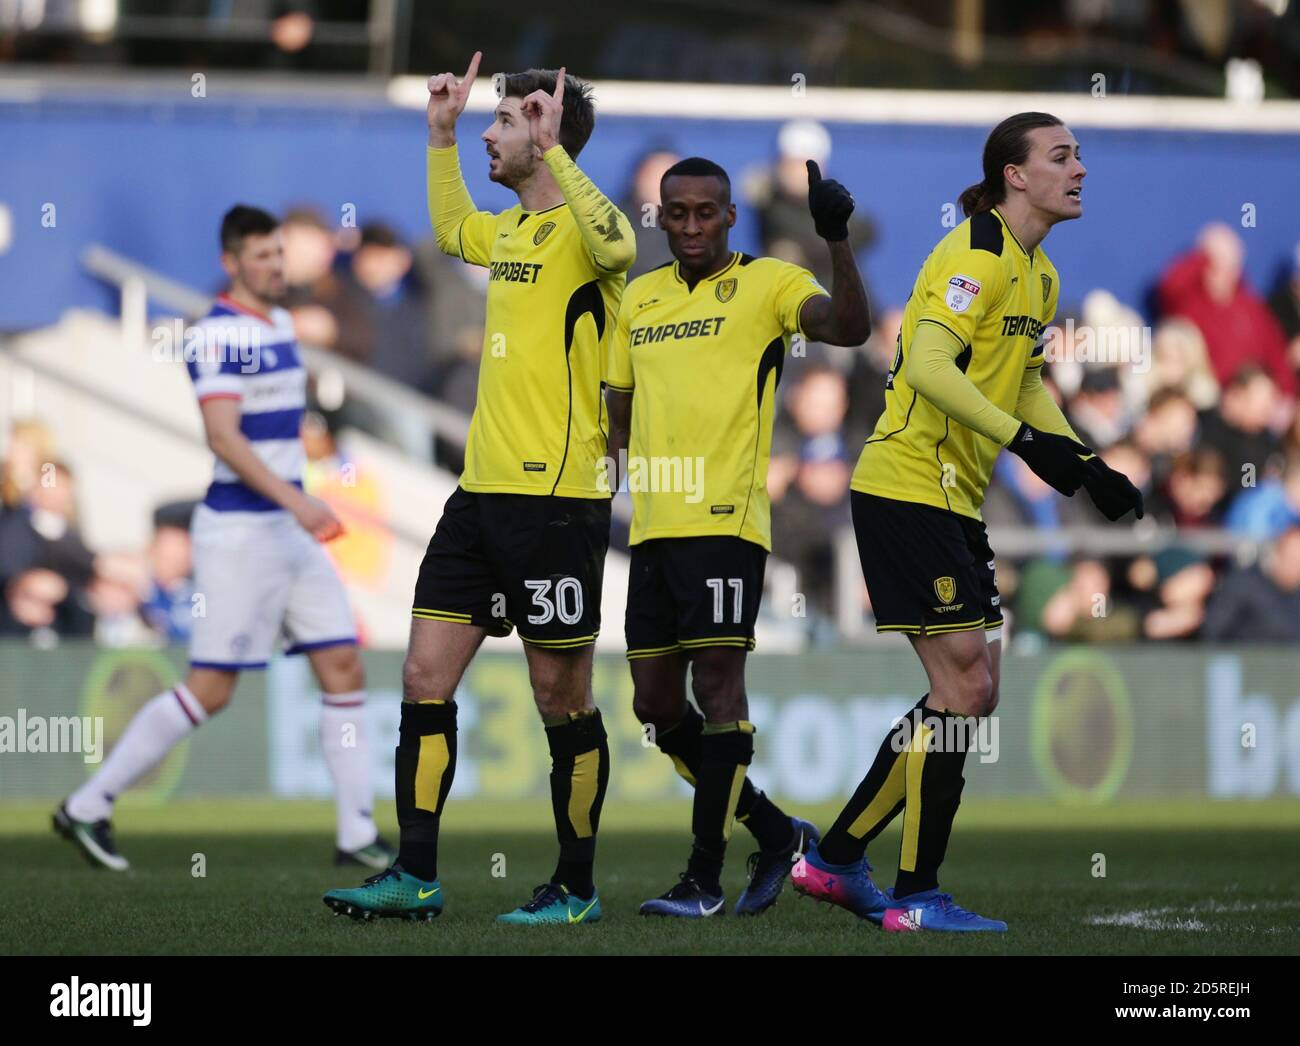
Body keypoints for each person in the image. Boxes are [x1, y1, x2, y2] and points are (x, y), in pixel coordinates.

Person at [791, 112, 1143, 932]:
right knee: (965, 686)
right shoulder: (975, 254)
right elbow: (925, 364)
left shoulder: (1040, 275)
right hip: (906, 486)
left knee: (973, 689)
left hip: (952, 496)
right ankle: (913, 895)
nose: (1080, 169)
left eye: (1080, 155)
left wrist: (1085, 463)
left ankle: (837, 858)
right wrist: (1025, 444)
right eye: (1062, 156)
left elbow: (1020, 386)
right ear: (1015, 175)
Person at [324, 55, 635, 926]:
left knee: (559, 698)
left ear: (545, 137)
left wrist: (557, 147)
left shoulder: (586, 235)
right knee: (424, 678)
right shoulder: (510, 234)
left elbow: (621, 242)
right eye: (493, 122)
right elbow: (456, 226)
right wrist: (440, 135)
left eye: (503, 123)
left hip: (559, 503)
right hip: (478, 497)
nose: (489, 133)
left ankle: (575, 885)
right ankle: (413, 872)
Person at [55, 205, 390, 873]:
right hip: (242, 532)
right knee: (211, 689)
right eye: (261, 256)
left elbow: (272, 423)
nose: (274, 265)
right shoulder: (216, 334)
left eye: (278, 253)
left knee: (343, 666)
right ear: (230, 263)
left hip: (289, 531)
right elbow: (222, 436)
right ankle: (88, 804)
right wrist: (296, 497)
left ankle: (356, 834)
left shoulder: (283, 323)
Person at [605, 156, 869, 917]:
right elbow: (618, 411)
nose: (690, 225)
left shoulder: (770, 284)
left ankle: (702, 878)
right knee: (655, 707)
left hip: (726, 524)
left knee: (718, 690)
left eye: (704, 212)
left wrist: (836, 239)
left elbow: (848, 327)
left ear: (729, 215)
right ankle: (778, 832)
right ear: (659, 216)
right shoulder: (640, 298)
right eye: (676, 213)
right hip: (654, 528)